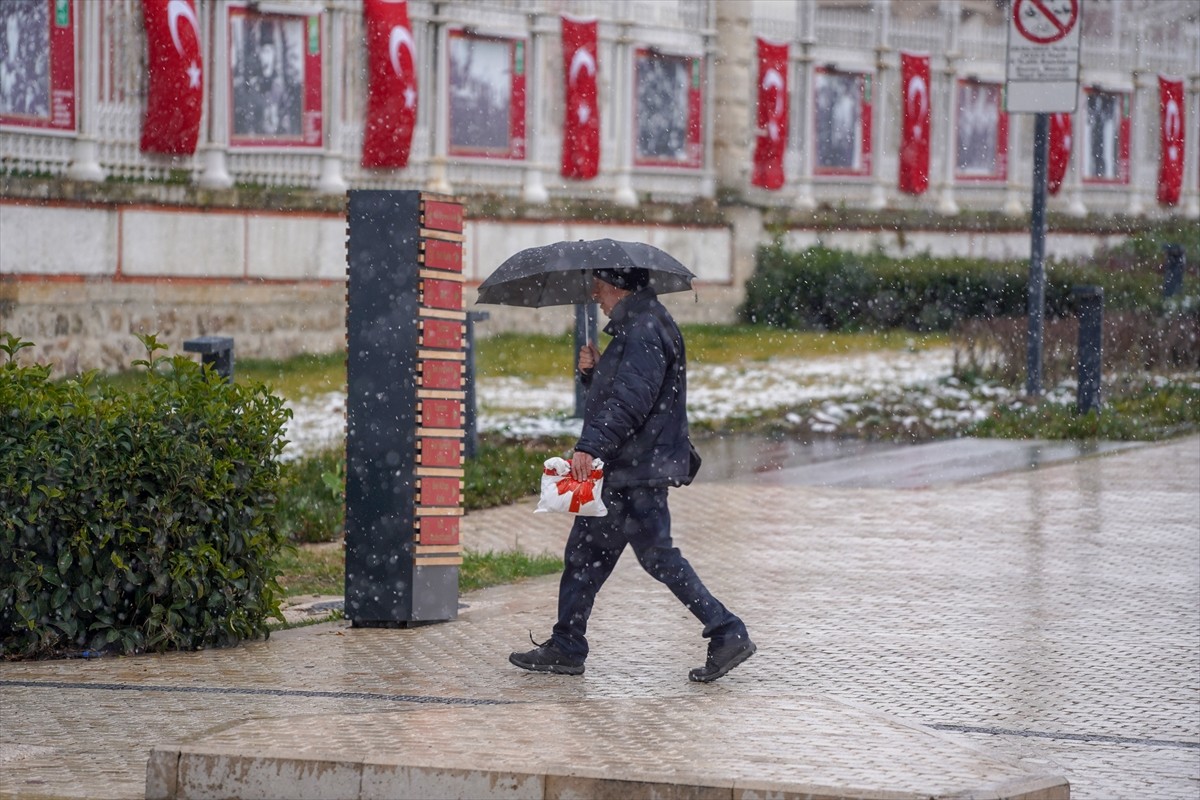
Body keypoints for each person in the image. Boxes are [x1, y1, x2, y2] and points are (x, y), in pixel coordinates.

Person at [509, 266, 755, 683]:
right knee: (589, 556)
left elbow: (631, 400)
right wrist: (596, 371)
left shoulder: (642, 329)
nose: (595, 294)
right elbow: (633, 389)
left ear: (619, 287)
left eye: (600, 286)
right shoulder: (642, 324)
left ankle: (727, 630)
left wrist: (591, 447)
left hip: (635, 469)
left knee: (651, 557)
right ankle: (568, 645)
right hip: (633, 467)